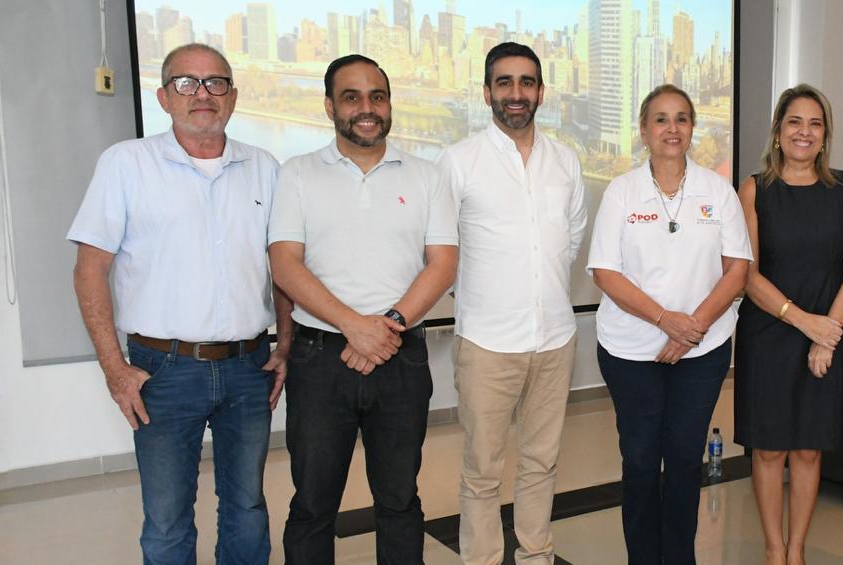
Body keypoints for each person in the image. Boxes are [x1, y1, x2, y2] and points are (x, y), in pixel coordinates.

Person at [68, 43, 288, 564]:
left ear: (232, 96)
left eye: (216, 83)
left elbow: (284, 268)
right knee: (166, 520)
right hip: (161, 370)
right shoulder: (126, 163)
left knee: (248, 507)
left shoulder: (265, 168)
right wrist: (113, 368)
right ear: (164, 97)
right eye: (186, 83)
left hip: (249, 367)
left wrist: (288, 344)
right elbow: (89, 271)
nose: (202, 94)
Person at [268, 54, 458, 564]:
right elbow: (285, 265)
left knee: (399, 501)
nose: (366, 108)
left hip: (401, 357)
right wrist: (355, 327)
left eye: (377, 96)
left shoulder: (426, 176)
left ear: (389, 104)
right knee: (312, 504)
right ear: (330, 106)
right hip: (319, 359)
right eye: (351, 97)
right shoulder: (298, 174)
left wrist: (388, 328)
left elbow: (442, 264)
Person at [435, 42, 587, 565]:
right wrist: (488, 294)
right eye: (505, 83)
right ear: (487, 92)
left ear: (541, 92)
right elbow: (441, 250)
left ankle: (535, 557)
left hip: (554, 340)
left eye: (526, 83)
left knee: (541, 463)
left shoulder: (565, 160)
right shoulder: (458, 162)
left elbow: (569, 240)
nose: (516, 94)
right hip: (487, 343)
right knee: (482, 470)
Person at [588, 84, 752, 565]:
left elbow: (737, 268)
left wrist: (692, 328)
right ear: (644, 130)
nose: (672, 128)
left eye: (681, 118)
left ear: (693, 128)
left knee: (683, 462)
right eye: (661, 119)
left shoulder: (717, 191)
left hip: (702, 350)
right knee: (640, 462)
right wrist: (665, 320)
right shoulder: (622, 192)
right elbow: (605, 272)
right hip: (630, 352)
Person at [734, 83, 843, 565]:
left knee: (809, 451)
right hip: (769, 333)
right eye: (795, 122)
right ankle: (774, 551)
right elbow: (746, 273)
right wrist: (802, 321)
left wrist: (826, 333)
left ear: (825, 134)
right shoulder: (753, 189)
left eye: (815, 124)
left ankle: (797, 552)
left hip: (829, 334)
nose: (804, 132)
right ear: (778, 130)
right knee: (769, 451)